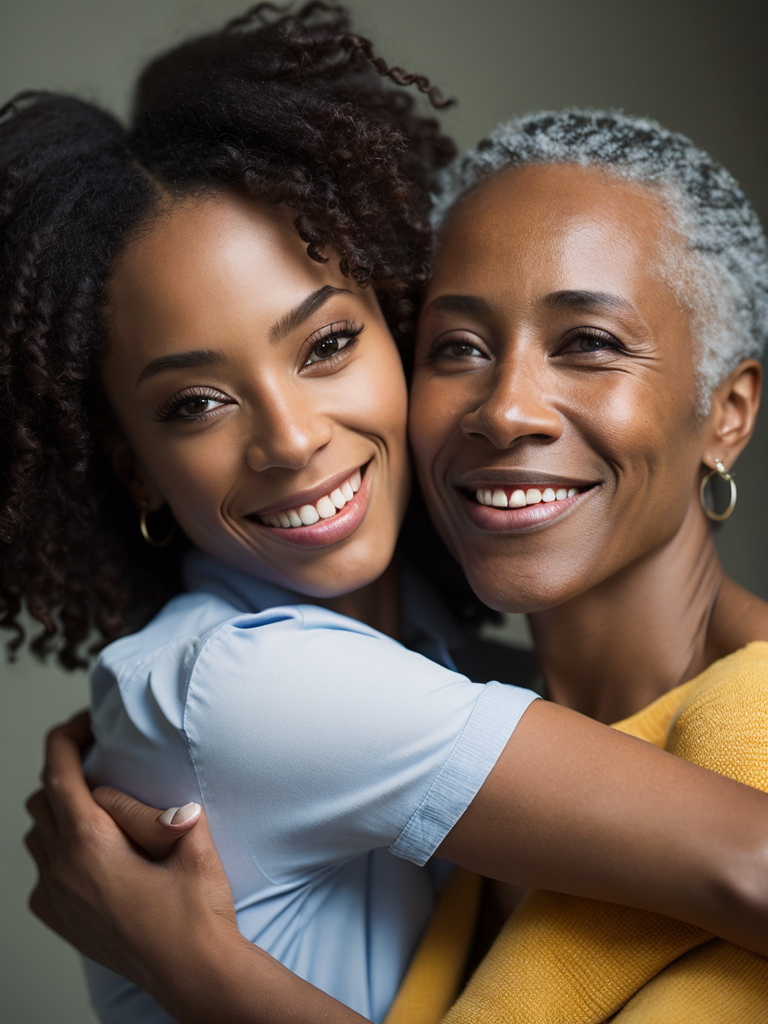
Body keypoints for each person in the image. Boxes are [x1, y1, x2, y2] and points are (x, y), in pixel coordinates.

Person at [10, 9, 768, 1021]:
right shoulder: (258, 677)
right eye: (194, 404)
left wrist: (202, 969)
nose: (290, 438)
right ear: (133, 469)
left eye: (324, 346)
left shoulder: (435, 650)